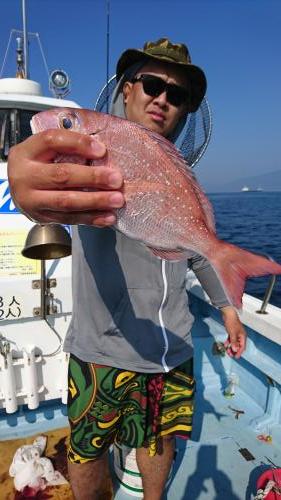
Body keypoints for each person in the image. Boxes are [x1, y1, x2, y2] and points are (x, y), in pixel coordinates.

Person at [8, 38, 247, 500]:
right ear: (126, 89)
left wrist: (229, 308)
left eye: (177, 95)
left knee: (159, 443)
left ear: (185, 111)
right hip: (100, 350)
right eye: (152, 84)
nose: (162, 99)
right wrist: (28, 192)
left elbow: (198, 249)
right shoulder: (90, 156)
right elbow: (50, 197)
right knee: (86, 452)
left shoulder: (180, 178)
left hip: (171, 348)